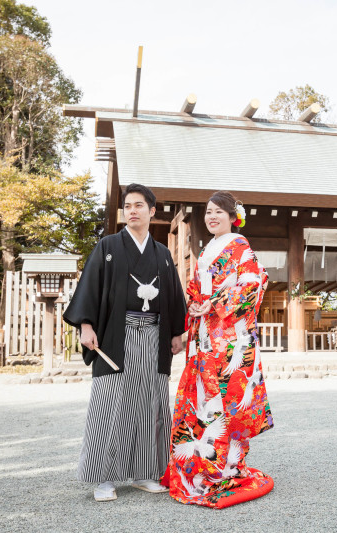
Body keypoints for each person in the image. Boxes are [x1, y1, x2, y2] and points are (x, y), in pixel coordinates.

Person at [63, 183, 187, 502]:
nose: (132, 211)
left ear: (152, 211)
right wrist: (86, 325)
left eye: (139, 205)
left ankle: (145, 472)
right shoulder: (108, 246)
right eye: (128, 206)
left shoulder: (162, 254)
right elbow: (90, 287)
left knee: (151, 402)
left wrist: (176, 332)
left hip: (154, 336)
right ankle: (103, 478)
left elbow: (174, 296)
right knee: (110, 402)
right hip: (116, 336)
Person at [161, 191, 274, 509]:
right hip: (206, 334)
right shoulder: (208, 248)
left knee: (226, 401)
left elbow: (253, 285)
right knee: (203, 400)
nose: (212, 217)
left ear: (232, 217)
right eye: (208, 211)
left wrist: (214, 303)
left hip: (230, 339)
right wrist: (196, 305)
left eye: (218, 212)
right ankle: (202, 465)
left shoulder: (240, 245)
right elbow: (197, 289)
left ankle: (228, 467)